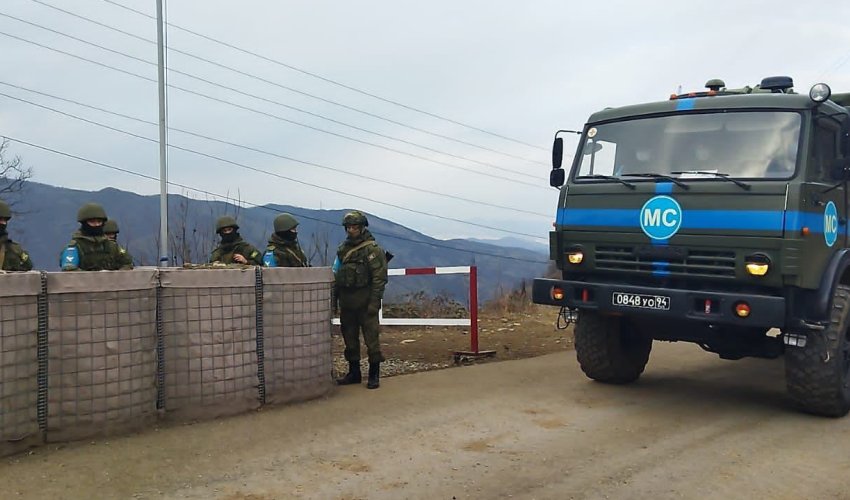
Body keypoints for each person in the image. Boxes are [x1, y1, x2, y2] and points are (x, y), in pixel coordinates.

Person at [333, 210, 388, 389]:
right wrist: (334, 301)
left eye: (355, 227)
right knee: (350, 339)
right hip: (347, 302)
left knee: (371, 340)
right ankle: (354, 372)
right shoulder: (343, 249)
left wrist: (374, 302)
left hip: (365, 302)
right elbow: (336, 275)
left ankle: (374, 374)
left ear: (362, 227)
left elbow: (379, 278)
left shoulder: (372, 250)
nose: (351, 230)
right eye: (348, 227)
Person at [60, 202, 133, 271]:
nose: (97, 225)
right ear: (84, 223)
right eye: (92, 222)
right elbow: (69, 269)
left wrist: (114, 276)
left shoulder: (112, 246)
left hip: (113, 283)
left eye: (99, 221)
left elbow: (127, 264)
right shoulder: (74, 248)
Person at [0, 199, 33, 271]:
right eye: (0, 219)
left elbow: (28, 266)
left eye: (5, 220)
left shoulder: (14, 249)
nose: (3, 223)